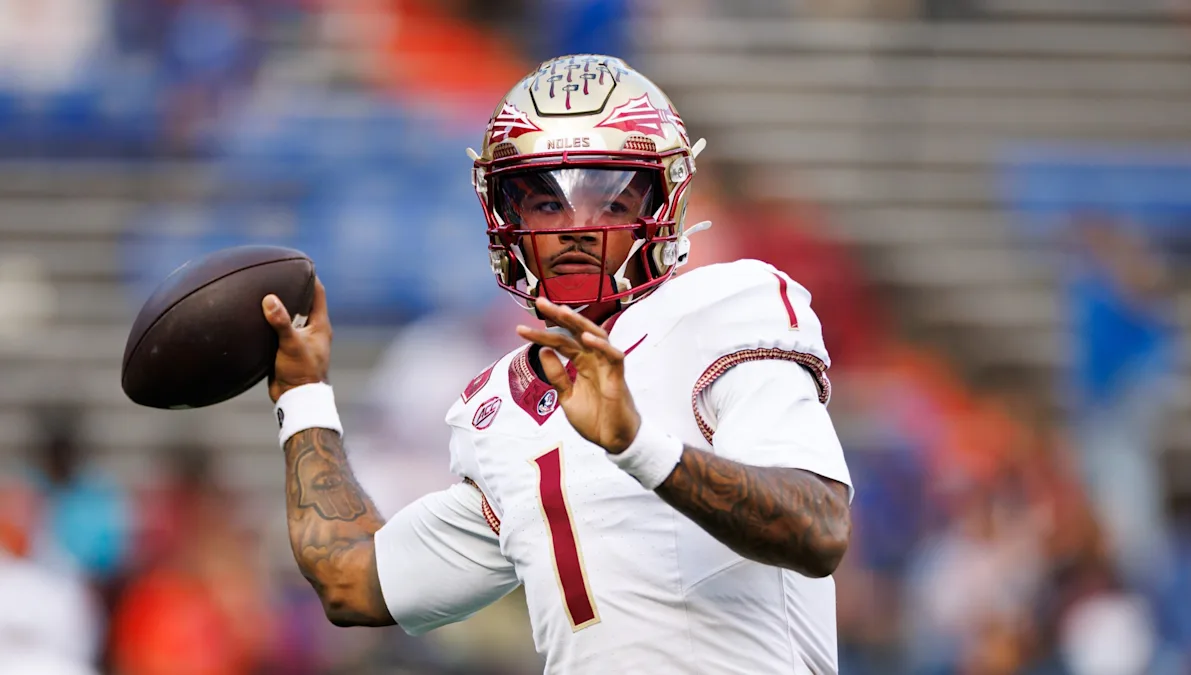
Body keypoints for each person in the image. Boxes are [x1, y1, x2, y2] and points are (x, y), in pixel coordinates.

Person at [262, 54, 853, 674]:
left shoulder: (724, 307)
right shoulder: (501, 412)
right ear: (507, 219)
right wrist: (302, 394)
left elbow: (818, 529)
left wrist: (639, 447)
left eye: (611, 201)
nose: (576, 228)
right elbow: (352, 580)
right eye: (547, 203)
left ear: (664, 205)